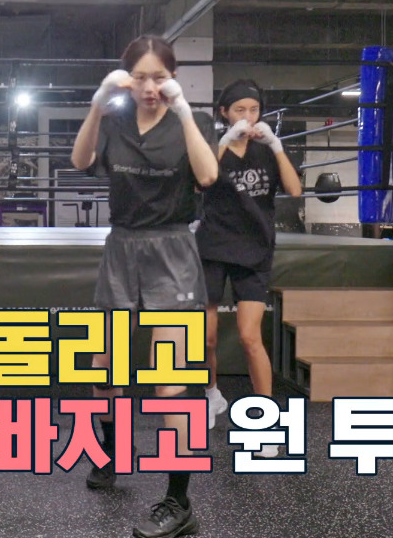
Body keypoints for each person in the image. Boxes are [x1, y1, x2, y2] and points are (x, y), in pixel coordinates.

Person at [70, 35, 218, 538]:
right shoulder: (114, 121)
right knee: (103, 368)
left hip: (172, 249)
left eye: (160, 77)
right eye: (140, 77)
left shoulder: (191, 121)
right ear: (126, 79)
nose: (150, 87)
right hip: (122, 247)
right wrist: (97, 104)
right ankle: (112, 452)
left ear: (172, 78)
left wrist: (185, 112)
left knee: (169, 380)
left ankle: (179, 501)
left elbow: (208, 175)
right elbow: (80, 160)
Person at [197, 80, 302, 453]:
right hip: (213, 245)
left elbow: (294, 190)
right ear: (224, 113)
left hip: (255, 249)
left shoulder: (266, 150)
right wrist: (225, 141)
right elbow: (199, 181)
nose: (247, 116)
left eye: (253, 110)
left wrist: (276, 146)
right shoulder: (214, 148)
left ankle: (265, 422)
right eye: (239, 110)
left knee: (249, 337)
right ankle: (212, 394)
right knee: (206, 336)